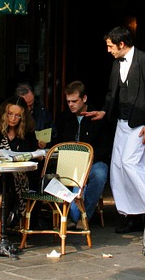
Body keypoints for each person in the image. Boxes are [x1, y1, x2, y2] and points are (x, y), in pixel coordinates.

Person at [83, 26, 145, 234]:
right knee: (118, 167)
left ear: (121, 44)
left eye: (111, 46)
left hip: (140, 125)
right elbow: (112, 94)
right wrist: (103, 112)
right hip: (121, 122)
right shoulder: (115, 64)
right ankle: (131, 215)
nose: (108, 50)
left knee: (131, 164)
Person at [0, 96, 42, 241]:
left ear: (23, 117)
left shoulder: (27, 131)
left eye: (17, 115)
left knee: (5, 184)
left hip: (18, 176)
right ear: (4, 113)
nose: (13, 118)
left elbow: (33, 151)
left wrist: (36, 154)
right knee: (1, 185)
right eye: (10, 114)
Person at [52, 81, 112, 228]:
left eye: (74, 101)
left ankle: (84, 217)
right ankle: (74, 216)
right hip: (70, 163)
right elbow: (58, 142)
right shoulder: (63, 118)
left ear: (84, 99)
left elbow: (105, 147)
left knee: (99, 174)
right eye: (68, 102)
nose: (71, 105)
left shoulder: (97, 117)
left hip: (93, 161)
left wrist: (88, 160)